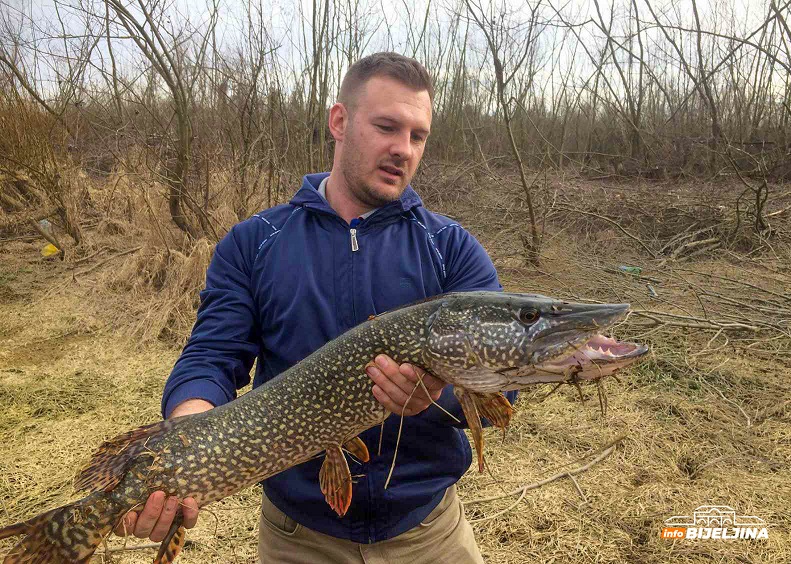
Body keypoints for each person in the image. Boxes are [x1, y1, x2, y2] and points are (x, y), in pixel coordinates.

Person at [116, 52, 515, 563]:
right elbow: (212, 357)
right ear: (340, 121)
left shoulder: (452, 248)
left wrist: (437, 397)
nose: (403, 150)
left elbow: (498, 386)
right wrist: (187, 442)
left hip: (429, 532)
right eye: (387, 127)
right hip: (296, 537)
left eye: (418, 136)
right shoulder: (253, 243)